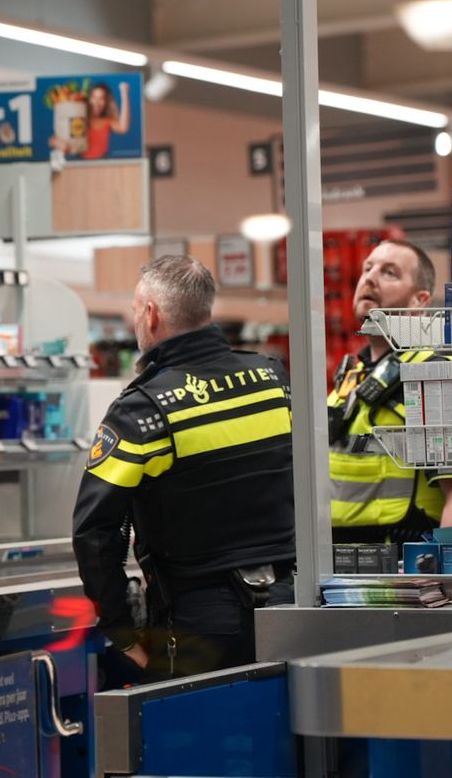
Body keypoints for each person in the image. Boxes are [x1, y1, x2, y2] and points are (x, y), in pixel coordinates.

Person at [73, 256, 295, 681]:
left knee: (197, 723)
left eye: (136, 310)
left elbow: (95, 532)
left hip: (199, 621)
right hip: (289, 603)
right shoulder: (272, 380)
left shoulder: (141, 410)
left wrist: (121, 631)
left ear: (152, 314)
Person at [328, 239, 452, 542]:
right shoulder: (351, 376)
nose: (370, 278)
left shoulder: (432, 374)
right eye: (367, 268)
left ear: (419, 300)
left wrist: (444, 564)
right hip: (337, 559)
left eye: (389, 273)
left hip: (404, 559)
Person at [82, 81, 131, 160]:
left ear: (106, 102)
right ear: (89, 99)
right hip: (80, 162)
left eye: (101, 98)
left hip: (102, 162)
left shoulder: (107, 121)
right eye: (94, 97)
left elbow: (123, 128)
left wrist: (124, 93)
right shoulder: (80, 119)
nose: (97, 102)